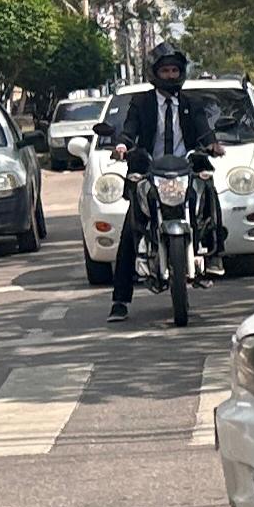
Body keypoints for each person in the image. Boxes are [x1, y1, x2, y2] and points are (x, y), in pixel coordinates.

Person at [104, 42, 219, 323]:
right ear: (155, 73)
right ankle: (120, 300)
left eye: (174, 70)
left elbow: (204, 130)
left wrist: (213, 144)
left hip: (185, 169)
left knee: (211, 196)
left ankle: (215, 256)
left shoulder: (192, 104)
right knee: (131, 228)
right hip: (149, 170)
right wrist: (122, 145)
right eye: (165, 70)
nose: (170, 75)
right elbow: (129, 129)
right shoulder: (141, 103)